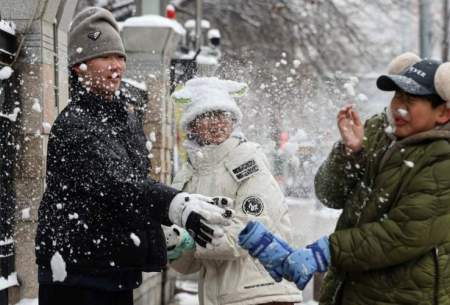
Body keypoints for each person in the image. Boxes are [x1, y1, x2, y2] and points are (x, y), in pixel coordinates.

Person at [35, 7, 231, 305]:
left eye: (120, 57)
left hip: (114, 271)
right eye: (105, 57)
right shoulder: (75, 125)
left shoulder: (124, 118)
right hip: (77, 277)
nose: (117, 66)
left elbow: (130, 191)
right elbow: (119, 185)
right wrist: (175, 204)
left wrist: (161, 232)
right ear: (79, 66)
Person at [238, 52, 450, 305]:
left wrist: (328, 251)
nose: (398, 107)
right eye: (397, 96)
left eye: (411, 100)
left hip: (405, 296)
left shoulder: (443, 158)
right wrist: (351, 153)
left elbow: (404, 233)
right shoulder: (378, 132)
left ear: (443, 114)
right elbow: (329, 194)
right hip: (348, 290)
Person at [164, 77, 302, 305]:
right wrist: (175, 243)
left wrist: (193, 238)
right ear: (192, 126)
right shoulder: (188, 176)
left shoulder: (248, 160)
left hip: (263, 295)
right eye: (207, 116)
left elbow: (247, 235)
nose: (217, 123)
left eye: (224, 115)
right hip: (220, 297)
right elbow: (190, 264)